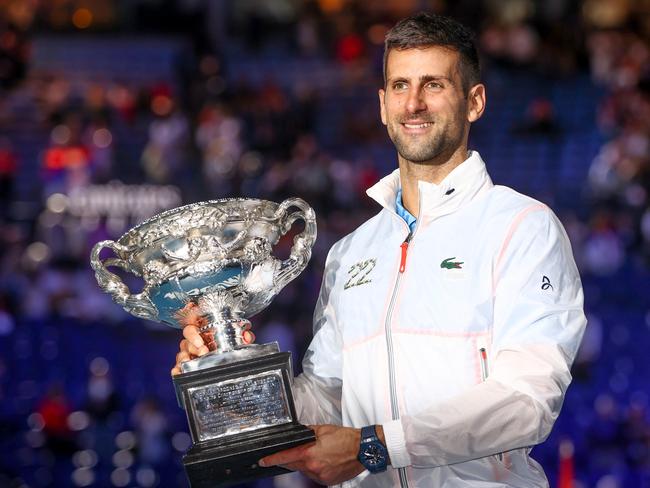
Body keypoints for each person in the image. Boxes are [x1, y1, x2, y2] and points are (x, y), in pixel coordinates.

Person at [172, 12, 586, 487]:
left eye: (433, 85)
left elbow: (526, 401)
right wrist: (231, 377)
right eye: (399, 86)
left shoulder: (522, 227)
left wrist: (375, 445)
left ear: (474, 102)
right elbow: (328, 399)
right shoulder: (350, 251)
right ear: (383, 104)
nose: (413, 103)